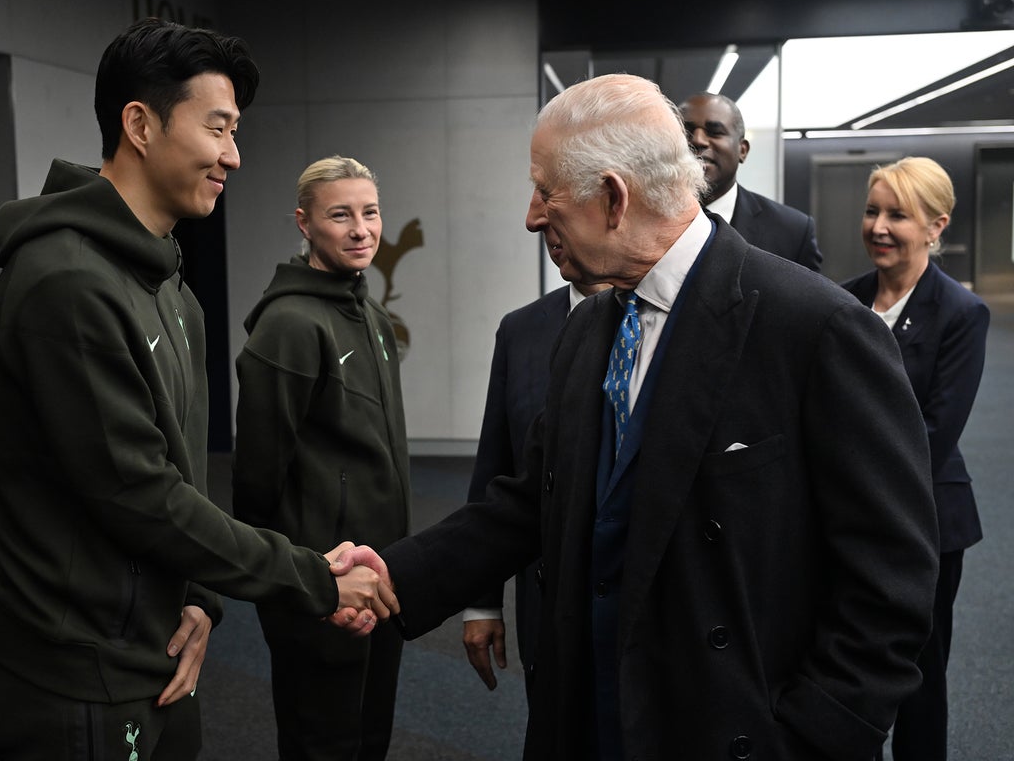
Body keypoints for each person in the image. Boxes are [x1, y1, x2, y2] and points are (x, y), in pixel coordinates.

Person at [343, 73, 940, 760]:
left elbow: (890, 580)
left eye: (546, 191)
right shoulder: (584, 331)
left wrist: (809, 738)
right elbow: (532, 505)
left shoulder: (815, 329)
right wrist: (396, 575)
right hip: (592, 719)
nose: (533, 216)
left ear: (614, 198)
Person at [0, 19, 394, 761]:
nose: (234, 154)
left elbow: (183, 479)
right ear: (139, 124)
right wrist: (313, 579)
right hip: (75, 676)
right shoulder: (64, 283)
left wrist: (198, 596)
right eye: (219, 128)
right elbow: (137, 494)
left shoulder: (170, 285)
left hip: (161, 650)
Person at [232, 155, 410, 761]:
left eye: (371, 212)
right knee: (323, 744)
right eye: (341, 215)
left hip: (378, 580)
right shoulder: (286, 326)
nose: (362, 229)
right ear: (305, 224)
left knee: (368, 739)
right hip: (321, 585)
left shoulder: (374, 318)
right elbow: (256, 485)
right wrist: (301, 588)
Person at [841, 157, 989, 761]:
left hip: (921, 525)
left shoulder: (959, 313)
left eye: (897, 215)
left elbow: (933, 432)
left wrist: (850, 489)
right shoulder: (844, 300)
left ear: (936, 226)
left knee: (917, 672)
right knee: (847, 668)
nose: (879, 226)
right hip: (842, 523)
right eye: (873, 211)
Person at [460, 244, 609, 695]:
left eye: (553, 200)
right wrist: (481, 602)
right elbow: (496, 463)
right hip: (545, 594)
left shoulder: (669, 319)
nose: (538, 221)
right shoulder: (521, 329)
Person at [680, 92, 822, 271]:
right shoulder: (644, 220)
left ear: (742, 150)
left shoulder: (793, 232)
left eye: (715, 132)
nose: (697, 140)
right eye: (686, 132)